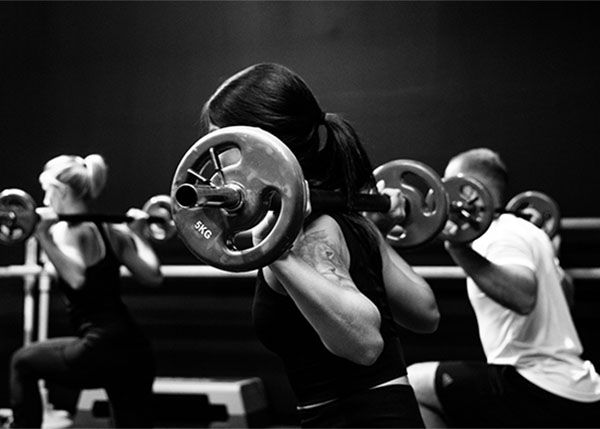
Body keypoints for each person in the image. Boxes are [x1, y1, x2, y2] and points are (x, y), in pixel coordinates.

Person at [198, 63, 440, 428]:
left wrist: (274, 252)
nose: (213, 163)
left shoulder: (308, 236)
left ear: (262, 143)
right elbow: (425, 314)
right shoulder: (354, 221)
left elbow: (366, 343)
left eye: (222, 142)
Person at [407, 148, 600, 427]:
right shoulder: (529, 232)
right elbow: (566, 296)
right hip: (574, 385)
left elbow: (523, 298)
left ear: (469, 191)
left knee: (414, 384)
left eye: (448, 182)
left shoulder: (500, 234)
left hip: (536, 382)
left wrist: (457, 248)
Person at [10, 154, 162, 428]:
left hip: (98, 348)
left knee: (23, 362)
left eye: (47, 191)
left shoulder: (66, 231)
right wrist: (138, 234)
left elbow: (77, 278)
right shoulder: (112, 230)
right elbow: (152, 276)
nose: (44, 200)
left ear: (62, 191)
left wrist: (44, 236)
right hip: (134, 351)